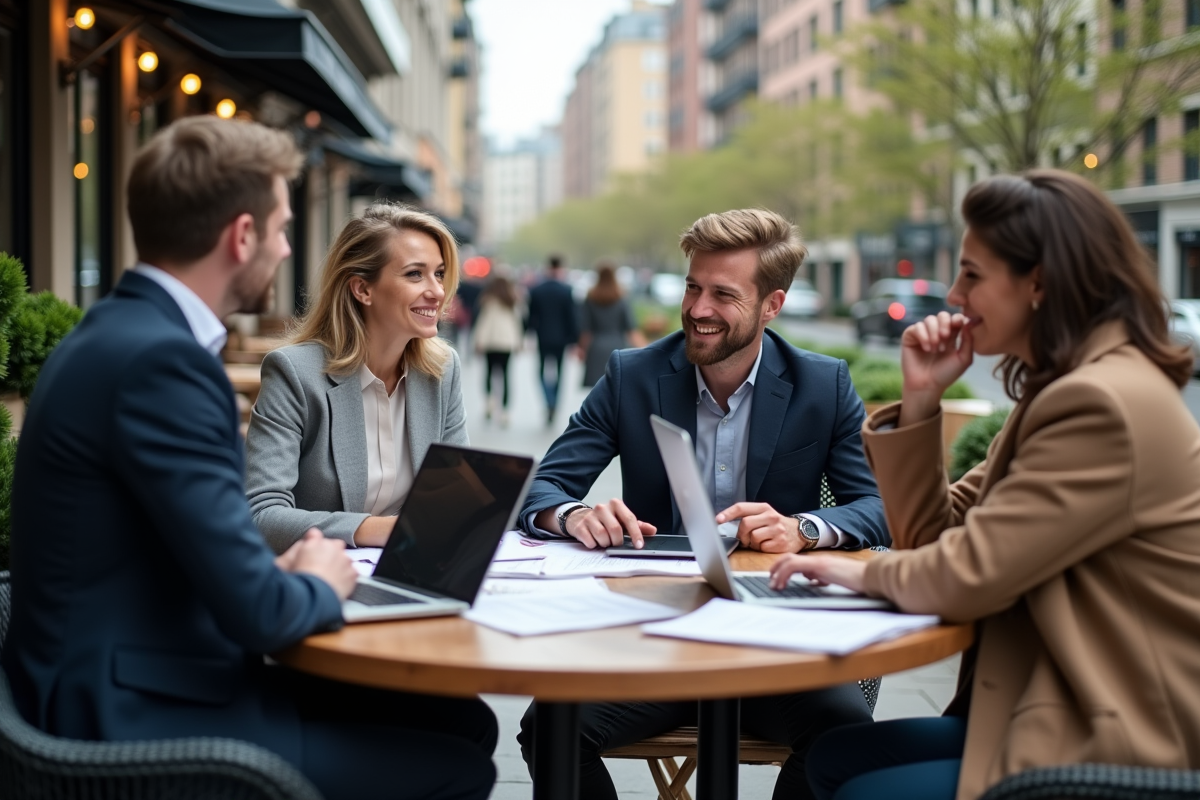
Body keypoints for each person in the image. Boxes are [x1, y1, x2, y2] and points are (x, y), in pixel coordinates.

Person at [1, 116, 495, 800]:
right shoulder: (163, 365)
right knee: (461, 766)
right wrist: (319, 577)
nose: (287, 249)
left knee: (462, 720)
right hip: (137, 717)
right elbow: (260, 611)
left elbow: (205, 549)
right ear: (242, 236)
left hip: (134, 675)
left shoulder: (117, 335)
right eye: (282, 229)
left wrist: (281, 570)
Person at [769, 170, 1200, 800]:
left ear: (1039, 283)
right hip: (1047, 707)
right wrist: (921, 399)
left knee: (862, 787)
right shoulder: (1064, 390)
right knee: (834, 758)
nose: (953, 293)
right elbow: (934, 540)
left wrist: (855, 572)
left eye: (972, 274)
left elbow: (967, 576)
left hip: (1120, 736)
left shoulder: (1101, 403)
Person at [515, 209, 891, 800]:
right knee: (549, 728)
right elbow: (541, 488)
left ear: (771, 305)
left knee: (843, 735)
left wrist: (803, 528)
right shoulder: (632, 375)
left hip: (776, 640)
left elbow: (878, 506)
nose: (697, 309)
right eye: (693, 287)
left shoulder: (824, 384)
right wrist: (575, 515)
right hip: (654, 638)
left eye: (723, 294)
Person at [246, 202, 469, 553]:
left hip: (412, 568)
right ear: (362, 289)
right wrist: (382, 530)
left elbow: (455, 494)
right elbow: (261, 515)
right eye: (415, 274)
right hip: (320, 572)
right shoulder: (295, 373)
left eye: (439, 274)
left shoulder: (442, 370)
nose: (437, 292)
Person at [526, 254, 580, 424]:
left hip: (543, 336)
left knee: (541, 371)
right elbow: (572, 317)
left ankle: (548, 399)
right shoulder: (567, 290)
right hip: (561, 338)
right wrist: (574, 340)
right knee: (560, 372)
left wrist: (528, 334)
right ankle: (554, 401)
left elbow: (531, 317)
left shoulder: (537, 290)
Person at [472, 275, 524, 426]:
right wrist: (518, 342)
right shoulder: (512, 301)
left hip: (490, 342)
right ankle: (505, 412)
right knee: (506, 376)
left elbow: (483, 322)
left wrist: (478, 341)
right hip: (506, 342)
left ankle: (490, 402)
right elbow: (517, 323)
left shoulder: (488, 300)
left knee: (488, 373)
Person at [578, 261, 637, 387]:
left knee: (597, 388)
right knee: (617, 385)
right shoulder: (621, 298)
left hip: (596, 348)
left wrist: (582, 348)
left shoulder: (591, 298)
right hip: (618, 347)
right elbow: (631, 329)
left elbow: (586, 329)